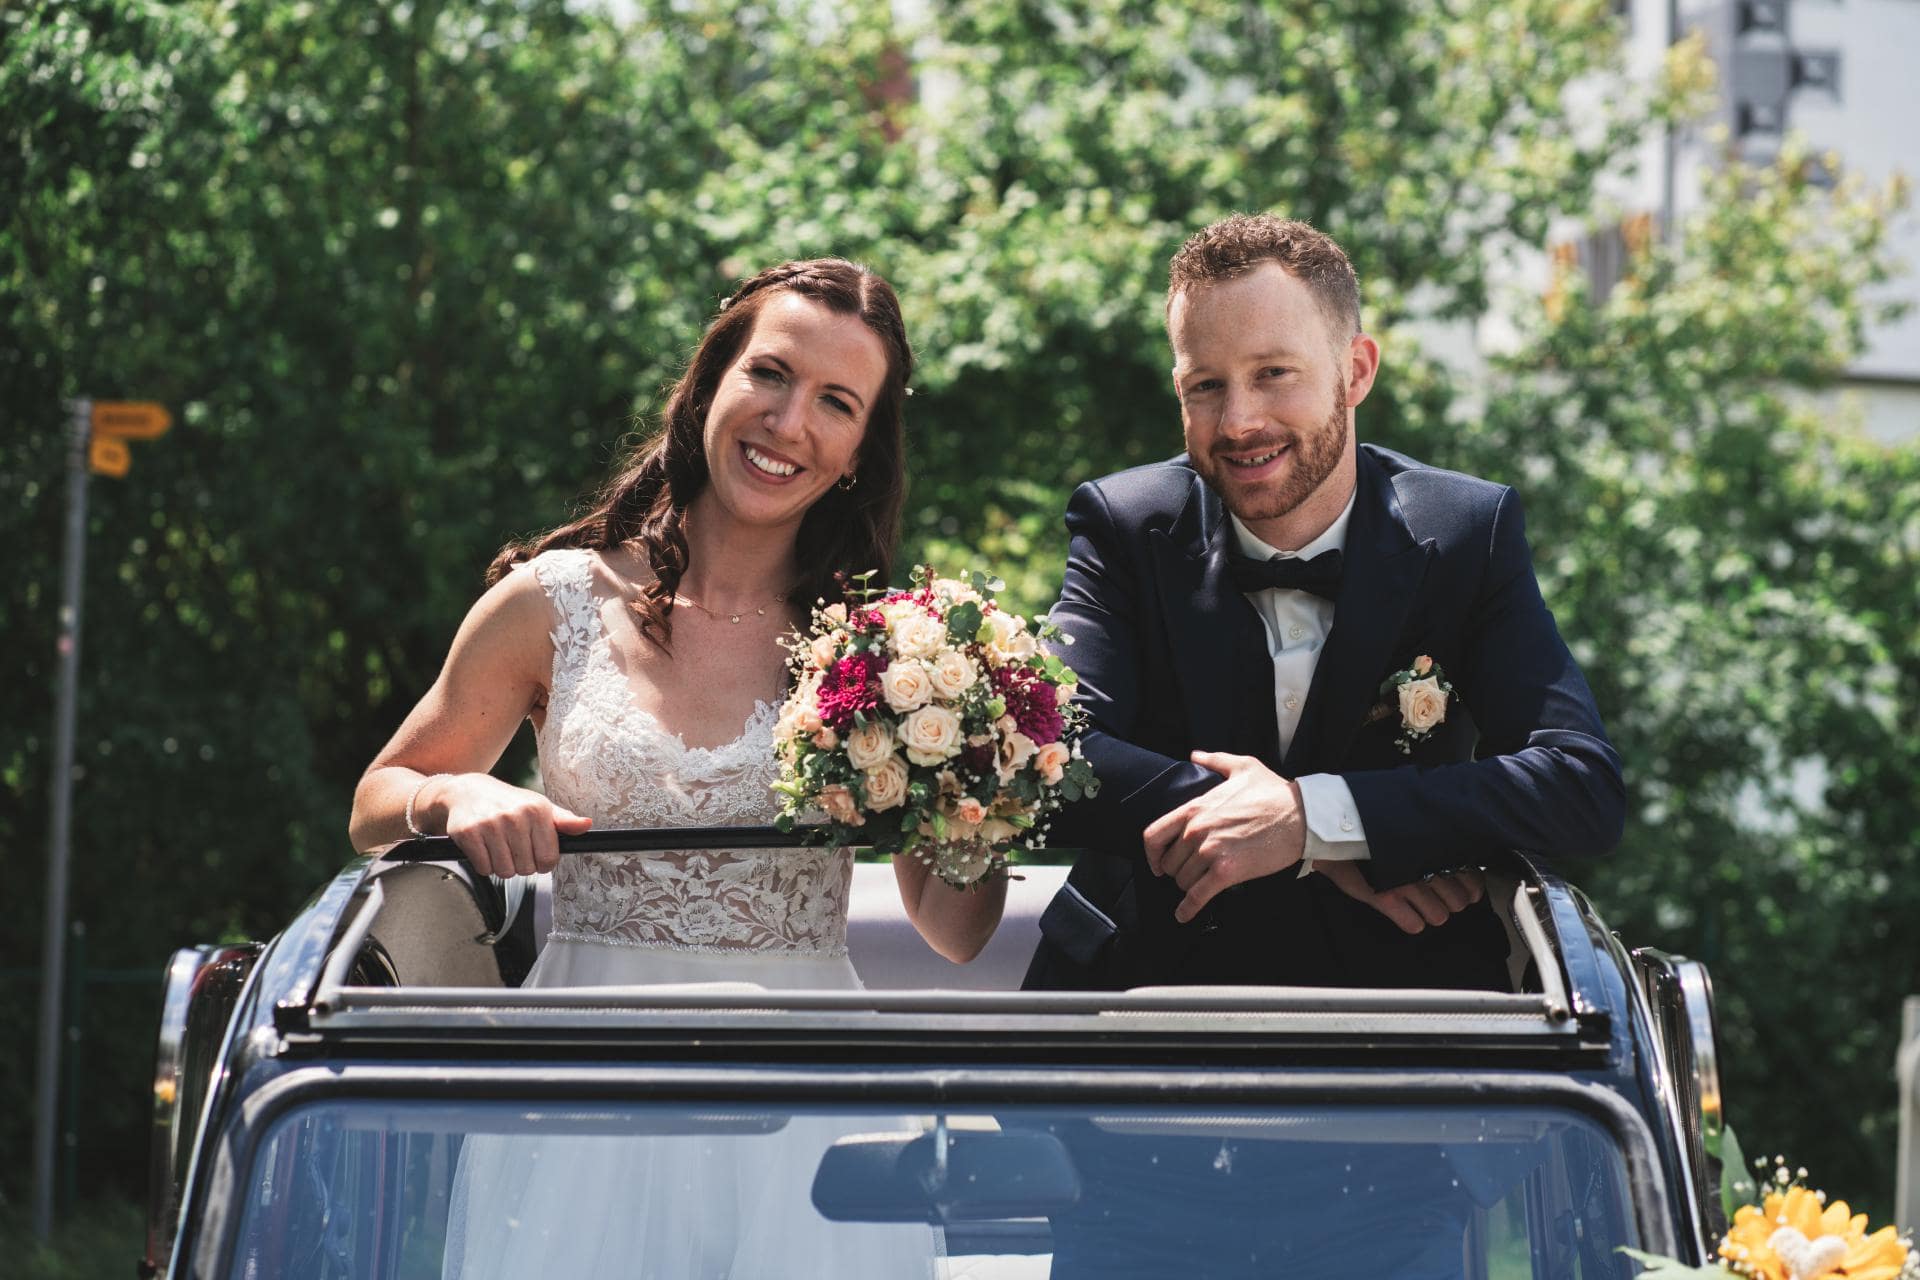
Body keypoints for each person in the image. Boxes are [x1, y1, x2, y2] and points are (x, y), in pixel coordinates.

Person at [349, 258, 997, 1278]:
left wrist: (979, 770)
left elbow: (957, 932)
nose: (789, 421)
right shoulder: (552, 601)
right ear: (709, 384)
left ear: (860, 453)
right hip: (585, 1086)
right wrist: (453, 791)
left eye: (836, 402)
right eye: (770, 374)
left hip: (806, 1104)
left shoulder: (888, 650)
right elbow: (374, 804)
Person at [1022, 215, 1626, 1278]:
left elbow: (1580, 783)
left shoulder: (1468, 531)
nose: (1239, 420)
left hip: (1395, 1126)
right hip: (1132, 1110)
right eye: (1204, 385)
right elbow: (1051, 753)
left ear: (1356, 370)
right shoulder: (1123, 521)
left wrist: (1318, 820)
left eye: (1274, 374)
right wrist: (1302, 841)